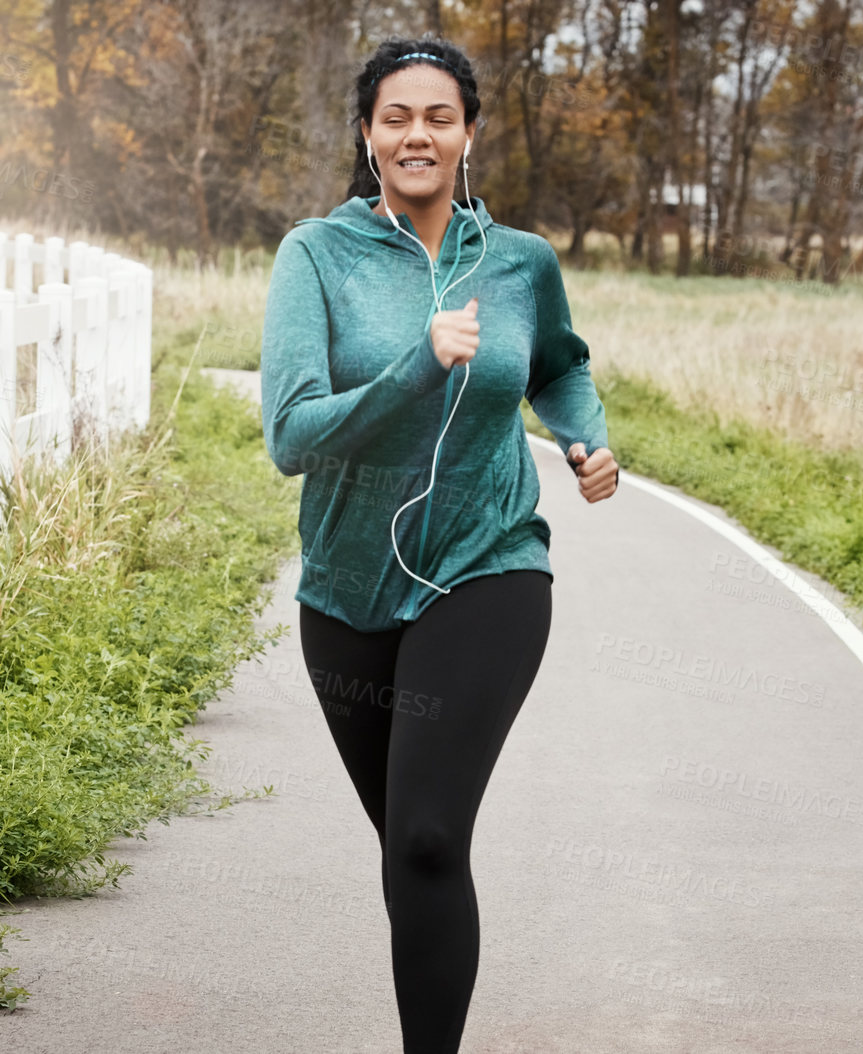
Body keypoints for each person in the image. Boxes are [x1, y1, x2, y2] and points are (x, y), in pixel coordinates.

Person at [257, 36, 619, 1054]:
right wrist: (415, 367)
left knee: (423, 837)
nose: (417, 134)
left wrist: (585, 437)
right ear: (367, 135)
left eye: (438, 116)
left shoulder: (517, 262)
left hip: (490, 563)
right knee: (408, 847)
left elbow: (557, 364)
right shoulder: (314, 258)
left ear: (467, 132)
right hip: (346, 590)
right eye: (395, 117)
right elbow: (290, 438)